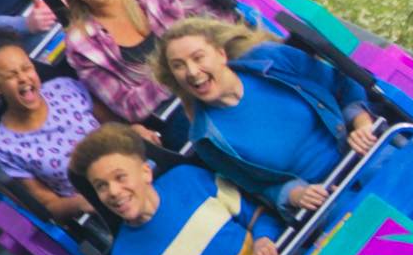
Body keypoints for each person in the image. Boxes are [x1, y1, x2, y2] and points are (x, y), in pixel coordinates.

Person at [147, 17, 378, 216]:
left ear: (220, 54)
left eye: (198, 58)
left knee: (385, 169)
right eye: (179, 66)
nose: (192, 72)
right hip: (328, 197)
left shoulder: (271, 59)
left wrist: (362, 125)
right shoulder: (206, 139)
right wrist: (296, 195)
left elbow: (344, 86)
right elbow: (260, 187)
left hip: (363, 154)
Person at [72, 130, 280, 255]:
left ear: (145, 172)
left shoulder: (187, 178)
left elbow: (259, 217)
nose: (114, 192)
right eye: (101, 186)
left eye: (120, 177)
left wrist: (263, 240)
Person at [32, 0, 243, 129]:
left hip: (221, 67)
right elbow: (129, 107)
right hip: (177, 108)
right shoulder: (81, 44)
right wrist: (174, 73)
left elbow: (220, 19)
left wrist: (208, 58)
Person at [0, 26, 109, 221]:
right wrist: (85, 203)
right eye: (11, 75)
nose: (23, 78)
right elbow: (49, 205)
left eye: (26, 68)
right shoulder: (7, 147)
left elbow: (117, 126)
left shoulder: (64, 88)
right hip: (96, 205)